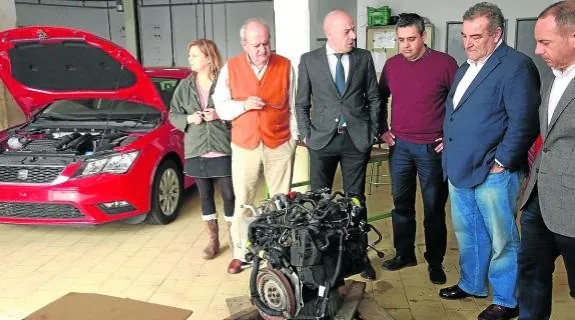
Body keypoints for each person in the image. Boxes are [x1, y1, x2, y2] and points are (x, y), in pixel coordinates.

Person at [439, 2, 541, 320]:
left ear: (497, 34)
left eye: (476, 36)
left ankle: (507, 301)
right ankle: (472, 284)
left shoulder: (516, 66)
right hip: (460, 165)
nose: (468, 43)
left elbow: (523, 121)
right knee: (468, 232)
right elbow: (458, 111)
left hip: (493, 171)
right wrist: (450, 139)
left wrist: (503, 161)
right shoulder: (464, 67)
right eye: (464, 36)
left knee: (502, 239)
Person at [295, 10, 381, 280]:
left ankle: (359, 255)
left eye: (353, 29)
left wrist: (373, 133)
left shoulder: (363, 58)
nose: (353, 35)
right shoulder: (309, 61)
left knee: (356, 200)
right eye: (347, 31)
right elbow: (301, 103)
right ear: (329, 32)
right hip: (322, 141)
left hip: (356, 140)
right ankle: (322, 259)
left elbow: (375, 98)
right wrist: (307, 135)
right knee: (320, 202)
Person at [378, 13, 458, 285]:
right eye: (401, 40)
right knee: (401, 206)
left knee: (434, 209)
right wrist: (382, 129)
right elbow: (379, 98)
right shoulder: (391, 66)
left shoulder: (445, 64)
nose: (406, 46)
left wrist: (450, 136)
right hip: (399, 146)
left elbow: (459, 103)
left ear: (424, 37)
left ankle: (434, 262)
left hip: (431, 149)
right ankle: (404, 254)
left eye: (411, 39)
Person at [213, 18, 298, 274]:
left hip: (280, 142)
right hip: (245, 144)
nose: (263, 49)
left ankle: (279, 252)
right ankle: (242, 252)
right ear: (244, 44)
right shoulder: (232, 67)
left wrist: (293, 139)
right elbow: (221, 107)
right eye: (256, 44)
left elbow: (293, 105)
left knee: (280, 201)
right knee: (243, 201)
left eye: (266, 43)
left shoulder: (285, 66)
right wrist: (243, 105)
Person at [519, 2, 575, 319]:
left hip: (571, 205)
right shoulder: (554, 77)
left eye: (545, 42)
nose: (537, 50)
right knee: (531, 276)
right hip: (538, 198)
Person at [169, 39, 234, 260]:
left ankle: (235, 238)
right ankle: (213, 240)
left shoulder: (226, 82)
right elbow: (173, 114)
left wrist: (219, 114)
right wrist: (189, 118)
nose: (190, 60)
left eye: (194, 55)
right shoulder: (185, 86)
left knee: (229, 195)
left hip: (223, 147)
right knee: (205, 196)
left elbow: (237, 111)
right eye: (190, 56)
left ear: (208, 57)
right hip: (197, 149)